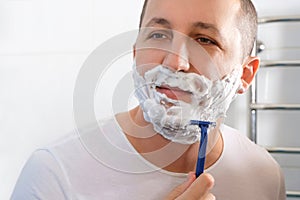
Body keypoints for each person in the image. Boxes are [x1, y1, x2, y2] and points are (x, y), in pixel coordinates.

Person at [11, 0, 286, 199]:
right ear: (135, 54)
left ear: (245, 75)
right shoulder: (53, 174)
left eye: (204, 40)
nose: (174, 61)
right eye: (158, 35)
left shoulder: (264, 176)